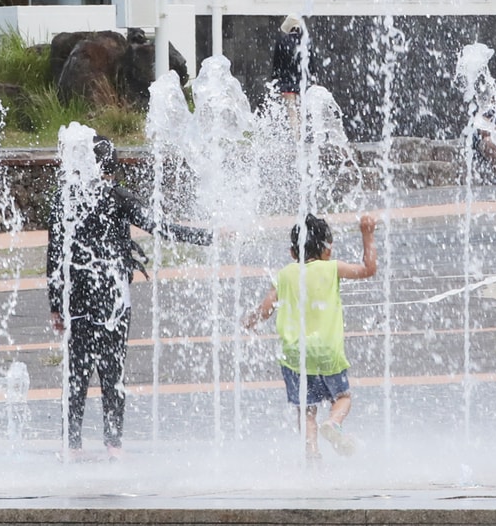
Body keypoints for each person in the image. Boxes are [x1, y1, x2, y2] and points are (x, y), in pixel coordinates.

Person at [47, 136, 211, 459]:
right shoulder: (117, 196)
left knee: (76, 373)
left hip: (76, 297)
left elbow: (54, 253)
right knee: (112, 370)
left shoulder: (64, 199)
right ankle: (113, 444)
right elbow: (158, 226)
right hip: (113, 298)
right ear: (111, 165)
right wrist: (208, 237)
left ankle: (73, 445)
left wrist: (55, 302)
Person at [244, 213, 378, 461]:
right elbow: (369, 269)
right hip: (327, 351)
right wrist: (367, 233)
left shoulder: (284, 274)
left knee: (306, 409)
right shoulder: (332, 267)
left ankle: (312, 452)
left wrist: (249, 322)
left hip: (295, 355)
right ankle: (334, 423)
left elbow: (265, 309)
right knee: (342, 397)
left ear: (293, 253)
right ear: (328, 249)